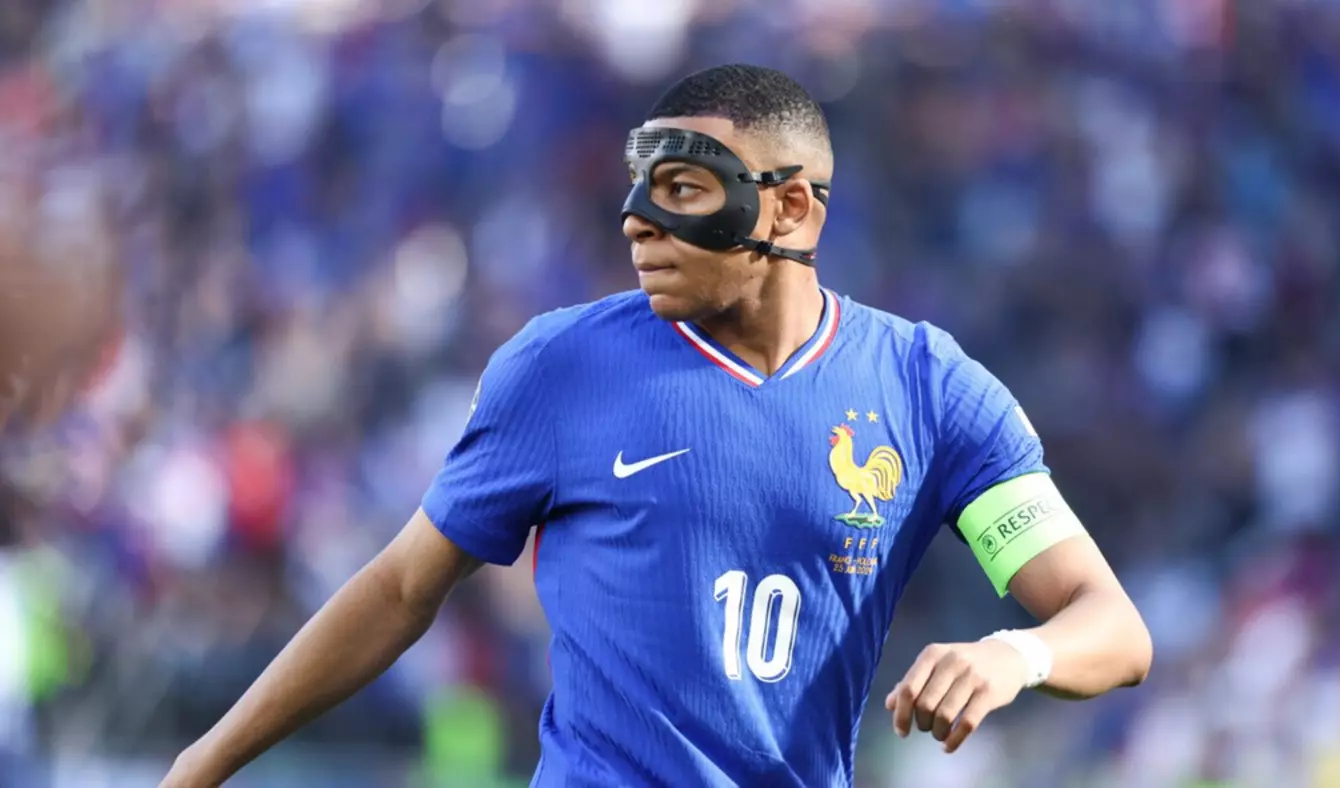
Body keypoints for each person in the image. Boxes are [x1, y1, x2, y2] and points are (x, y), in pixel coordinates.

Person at [160, 64, 1152, 788]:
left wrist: (1014, 655)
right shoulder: (562, 366)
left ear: (791, 211)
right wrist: (202, 765)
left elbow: (1109, 625)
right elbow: (399, 586)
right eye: (639, 189)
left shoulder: (930, 391)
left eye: (683, 190)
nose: (638, 219)